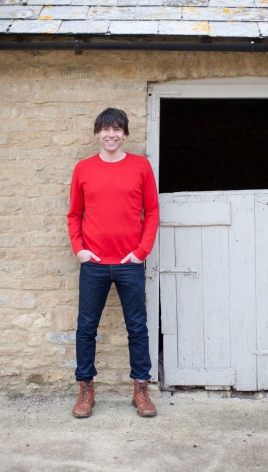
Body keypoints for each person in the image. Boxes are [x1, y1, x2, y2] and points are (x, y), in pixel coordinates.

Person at [67, 108, 159, 418]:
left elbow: (153, 213)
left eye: (117, 130)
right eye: (105, 129)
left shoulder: (141, 166)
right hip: (93, 263)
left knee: (137, 328)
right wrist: (80, 249)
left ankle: (141, 389)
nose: (111, 135)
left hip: (129, 262)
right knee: (86, 329)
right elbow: (75, 214)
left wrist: (141, 252)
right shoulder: (83, 169)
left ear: (125, 134)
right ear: (96, 133)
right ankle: (85, 388)